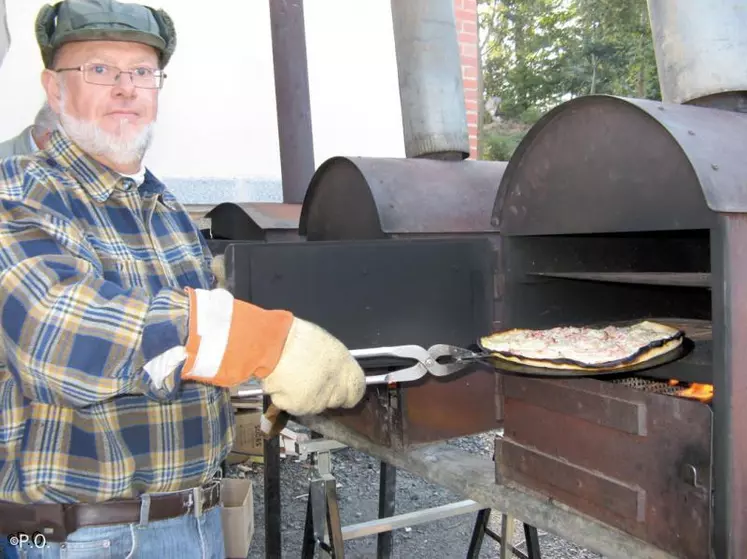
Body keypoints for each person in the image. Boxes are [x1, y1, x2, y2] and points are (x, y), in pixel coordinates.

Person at [0, 0, 366, 557]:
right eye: (99, 69)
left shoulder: (162, 203)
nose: (126, 88)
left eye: (142, 72)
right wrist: (265, 341)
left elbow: (185, 338)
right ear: (55, 90)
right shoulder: (18, 192)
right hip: (84, 537)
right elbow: (55, 334)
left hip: (196, 519)